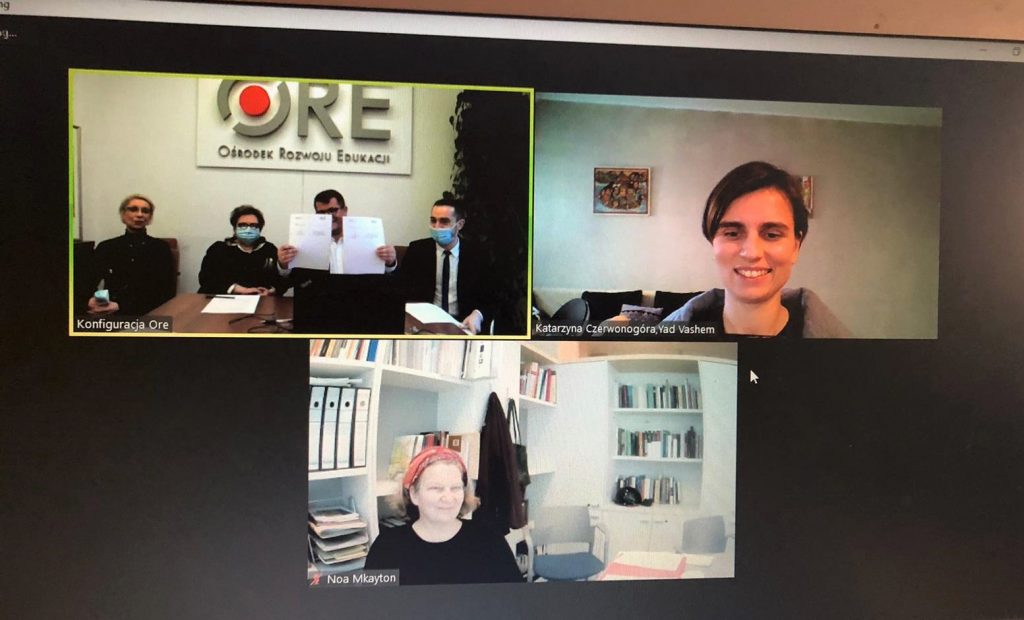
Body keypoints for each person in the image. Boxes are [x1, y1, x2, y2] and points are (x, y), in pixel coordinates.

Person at [661, 161, 849, 337]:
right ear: (713, 243)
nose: (751, 253)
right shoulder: (658, 346)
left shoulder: (845, 352)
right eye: (732, 233)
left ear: (795, 247)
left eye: (772, 235)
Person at [363, 446, 524, 586]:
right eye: (436, 488)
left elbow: (515, 601)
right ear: (414, 494)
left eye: (455, 488)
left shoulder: (489, 540)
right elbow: (372, 605)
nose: (448, 498)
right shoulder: (387, 548)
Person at [396, 196, 494, 334]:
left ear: (460, 225)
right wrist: (391, 264)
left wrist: (478, 314)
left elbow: (492, 295)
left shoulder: (477, 254)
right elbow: (400, 287)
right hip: (425, 324)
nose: (437, 227)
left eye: (444, 222)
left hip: (463, 323)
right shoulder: (417, 250)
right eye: (433, 220)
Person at [86, 194, 175, 315]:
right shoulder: (106, 247)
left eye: (145, 211)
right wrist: (91, 300)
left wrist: (120, 306)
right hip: (110, 312)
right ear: (123, 215)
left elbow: (166, 291)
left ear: (150, 218)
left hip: (148, 311)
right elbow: (89, 281)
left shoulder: (160, 248)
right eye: (133, 209)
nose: (140, 214)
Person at [276, 189, 396, 274]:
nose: (328, 216)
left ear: (345, 210)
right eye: (322, 213)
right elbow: (287, 281)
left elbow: (389, 280)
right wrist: (283, 264)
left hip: (358, 299)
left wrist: (390, 262)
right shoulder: (304, 243)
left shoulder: (368, 241)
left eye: (333, 210)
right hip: (319, 300)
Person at [198, 205, 285, 295]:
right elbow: (205, 279)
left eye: (253, 225)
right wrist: (238, 289)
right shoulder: (219, 249)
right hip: (224, 299)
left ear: (260, 229)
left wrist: (271, 291)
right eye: (243, 225)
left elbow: (280, 283)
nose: (248, 229)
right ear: (234, 228)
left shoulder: (269, 249)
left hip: (260, 300)